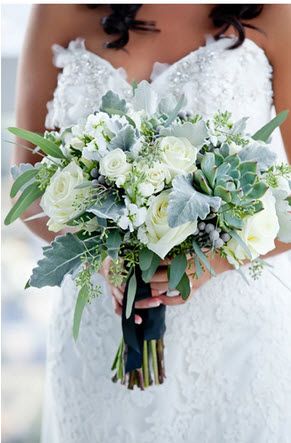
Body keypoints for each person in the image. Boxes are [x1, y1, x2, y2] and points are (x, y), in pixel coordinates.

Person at [14, 4, 291, 442]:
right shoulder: (56, 9)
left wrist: (212, 260)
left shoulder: (275, 13)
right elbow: (26, 189)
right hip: (98, 325)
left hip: (234, 337)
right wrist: (103, 253)